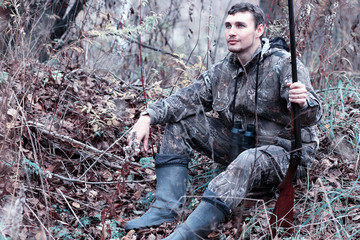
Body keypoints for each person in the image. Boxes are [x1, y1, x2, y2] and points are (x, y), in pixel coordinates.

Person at [125, 2, 322, 239]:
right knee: (180, 123)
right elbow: (186, 100)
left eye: (240, 25)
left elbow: (311, 116)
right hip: (241, 145)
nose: (232, 31)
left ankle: (186, 234)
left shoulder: (284, 64)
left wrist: (302, 101)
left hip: (286, 154)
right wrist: (147, 116)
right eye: (228, 25)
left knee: (250, 158)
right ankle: (165, 208)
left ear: (259, 30)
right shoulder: (223, 70)